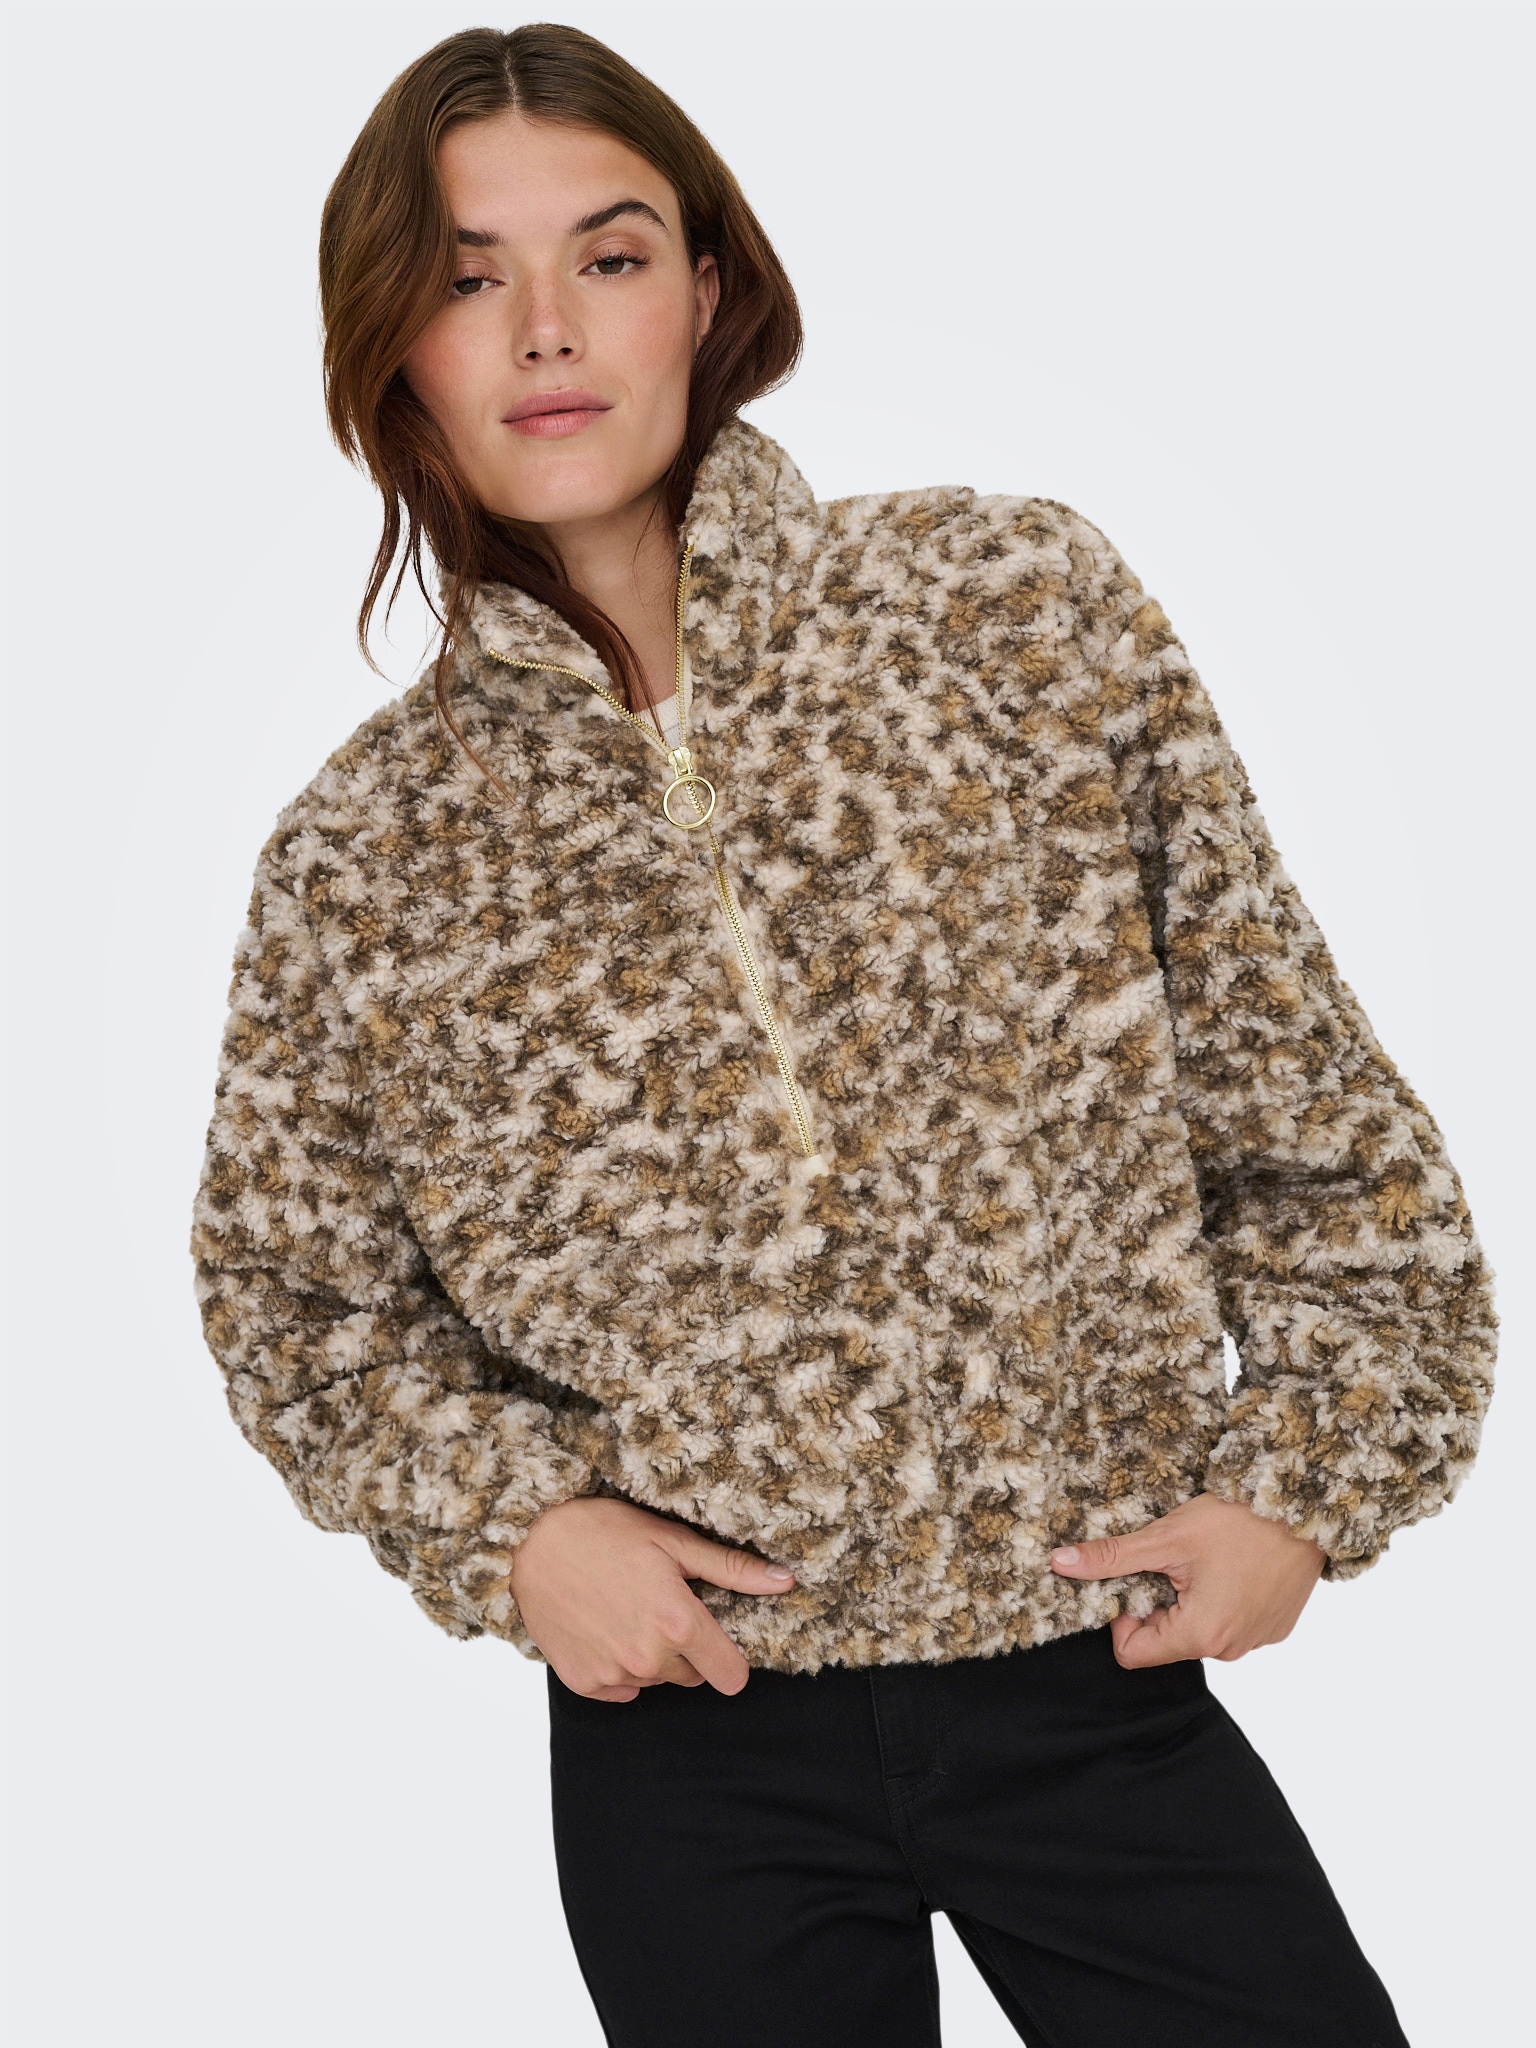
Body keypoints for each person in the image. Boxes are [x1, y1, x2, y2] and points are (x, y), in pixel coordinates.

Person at [191, 24, 1496, 2047]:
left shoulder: (1015, 614)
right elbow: (298, 1309)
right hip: (694, 1734)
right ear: (394, 350)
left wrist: (1305, 1485)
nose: (545, 330)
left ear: (709, 288)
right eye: (465, 278)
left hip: (1095, 1671)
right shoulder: (366, 854)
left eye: (610, 256)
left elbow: (1306, 1113)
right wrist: (521, 1531)